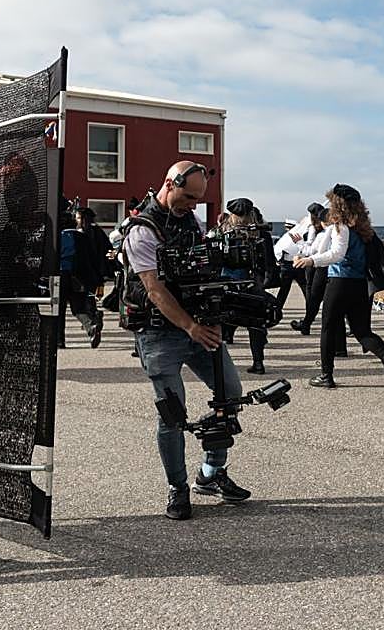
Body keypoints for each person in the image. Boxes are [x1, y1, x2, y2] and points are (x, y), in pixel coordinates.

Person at [121, 161, 252, 522]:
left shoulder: (191, 222)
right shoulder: (142, 230)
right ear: (169, 184)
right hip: (160, 332)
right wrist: (191, 327)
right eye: (189, 197)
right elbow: (154, 290)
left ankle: (210, 473)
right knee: (172, 415)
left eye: (198, 199)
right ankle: (177, 488)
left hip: (198, 325)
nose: (193, 205)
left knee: (230, 395)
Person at [297, 185, 384, 390]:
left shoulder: (341, 227)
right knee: (362, 331)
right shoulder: (363, 228)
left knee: (328, 328)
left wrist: (311, 261)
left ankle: (326, 375)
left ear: (338, 204)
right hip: (359, 284)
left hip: (339, 282)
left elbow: (336, 254)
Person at [218, 197, 277, 375]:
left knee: (221, 320)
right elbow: (269, 262)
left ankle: (219, 364)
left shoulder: (222, 232)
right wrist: (265, 282)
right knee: (256, 323)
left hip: (227, 282)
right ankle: (258, 362)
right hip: (252, 283)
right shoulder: (261, 234)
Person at [60, 209, 104, 348]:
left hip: (60, 275)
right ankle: (90, 327)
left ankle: (59, 340)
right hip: (79, 276)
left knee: (59, 309)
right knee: (78, 307)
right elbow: (92, 258)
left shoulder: (57, 236)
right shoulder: (83, 237)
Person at [288, 204, 328, 336]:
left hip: (315, 264)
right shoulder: (325, 230)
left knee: (313, 295)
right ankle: (306, 323)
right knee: (315, 296)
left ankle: (306, 324)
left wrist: (299, 244)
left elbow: (310, 248)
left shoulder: (315, 229)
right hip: (320, 264)